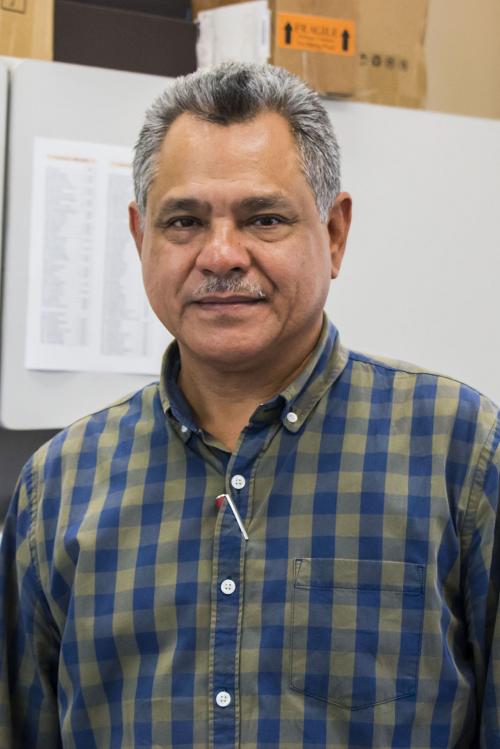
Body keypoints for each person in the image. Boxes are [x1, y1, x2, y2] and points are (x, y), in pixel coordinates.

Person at [1, 61, 499, 749]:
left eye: (264, 219)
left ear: (334, 234)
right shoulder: (58, 487)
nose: (221, 255)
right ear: (140, 237)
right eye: (184, 221)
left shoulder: (459, 454)